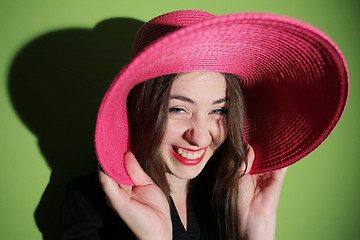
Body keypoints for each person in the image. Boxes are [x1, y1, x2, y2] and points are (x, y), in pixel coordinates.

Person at [60, 10, 348, 240]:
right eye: (178, 109)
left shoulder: (230, 195)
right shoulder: (89, 201)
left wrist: (258, 227)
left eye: (219, 110)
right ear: (141, 109)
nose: (199, 137)